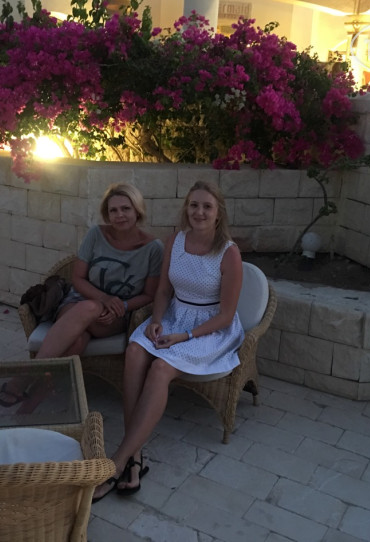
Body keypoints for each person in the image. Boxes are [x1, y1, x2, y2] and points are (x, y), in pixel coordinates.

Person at [92, 180, 244, 502]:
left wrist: (184, 336)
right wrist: (157, 321)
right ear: (186, 208)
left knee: (161, 368)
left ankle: (118, 462)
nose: (199, 212)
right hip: (174, 316)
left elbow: (226, 316)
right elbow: (162, 291)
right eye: (193, 205)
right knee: (135, 351)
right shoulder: (175, 240)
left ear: (218, 213)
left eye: (207, 206)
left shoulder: (229, 253)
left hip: (209, 329)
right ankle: (136, 456)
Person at [0, 182, 163, 408]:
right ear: (107, 214)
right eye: (113, 210)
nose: (119, 215)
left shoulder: (153, 248)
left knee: (83, 328)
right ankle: (31, 404)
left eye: (125, 209)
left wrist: (120, 305)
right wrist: (104, 299)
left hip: (117, 315)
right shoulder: (96, 235)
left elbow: (150, 295)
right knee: (82, 330)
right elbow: (78, 278)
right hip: (77, 303)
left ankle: (23, 379)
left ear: (137, 210)